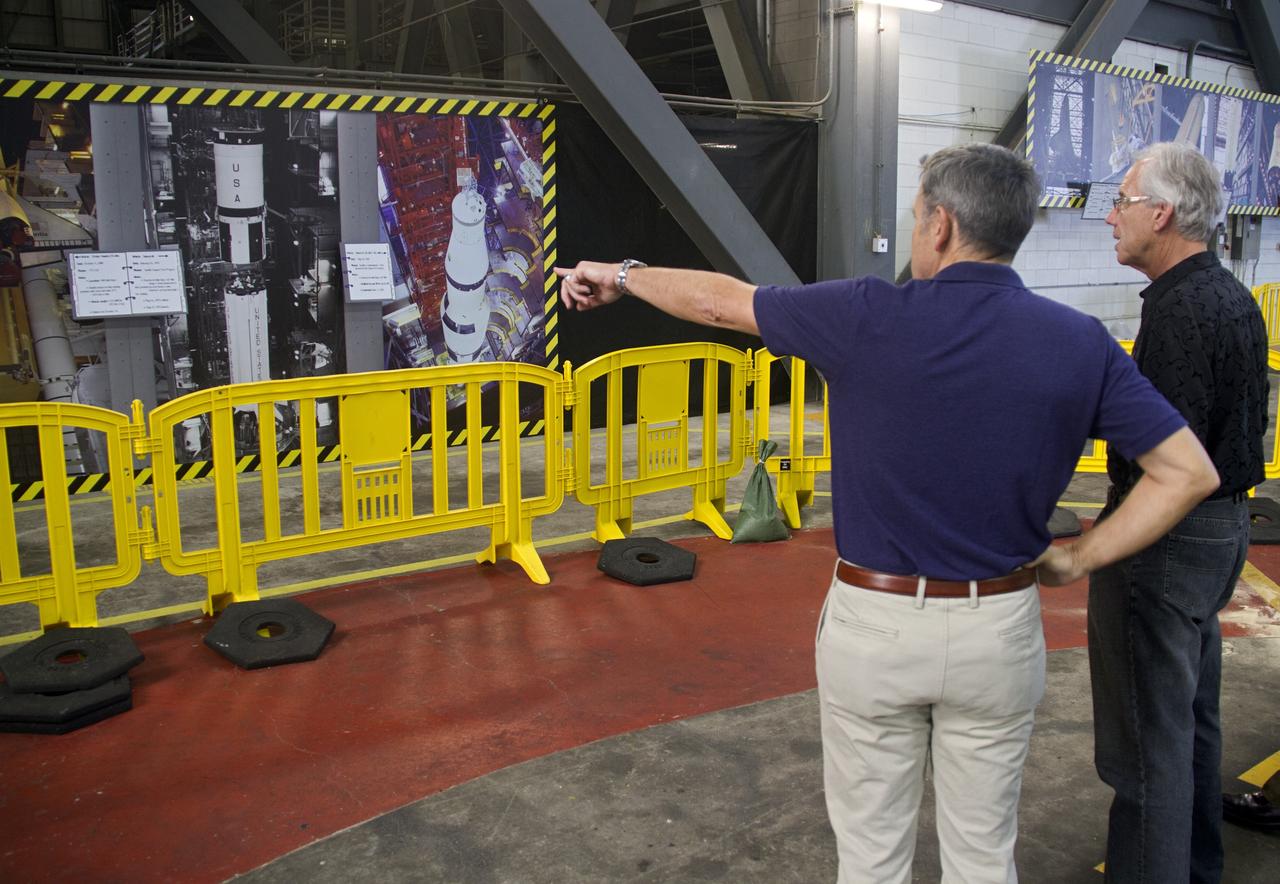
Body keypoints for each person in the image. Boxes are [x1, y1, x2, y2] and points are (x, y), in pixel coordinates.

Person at [556, 142, 1219, 883]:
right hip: (997, 628)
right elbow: (1187, 472)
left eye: (914, 218)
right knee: (981, 856)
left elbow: (720, 301)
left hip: (875, 624)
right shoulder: (1078, 342)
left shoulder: (862, 315)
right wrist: (1079, 557)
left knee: (871, 858)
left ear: (939, 225)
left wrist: (619, 275)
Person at [1091, 140, 1270, 883]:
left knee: (1145, 749)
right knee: (1190, 724)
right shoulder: (1226, 294)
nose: (1111, 215)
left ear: (1161, 213)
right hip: (1222, 534)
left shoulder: (1181, 311)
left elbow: (1173, 462)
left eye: (1123, 200)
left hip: (1167, 544)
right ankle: (1196, 870)